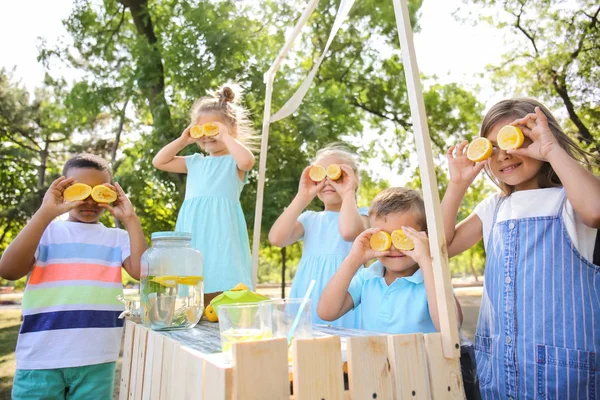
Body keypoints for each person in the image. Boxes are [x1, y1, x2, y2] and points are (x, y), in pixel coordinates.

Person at [442, 98, 600, 399]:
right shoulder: (493, 208)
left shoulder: (570, 200)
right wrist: (457, 184)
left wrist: (550, 150)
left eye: (515, 140)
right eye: (492, 147)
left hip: (565, 379)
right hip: (498, 375)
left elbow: (595, 210)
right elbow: (441, 247)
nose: (504, 155)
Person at [0, 153, 146, 399]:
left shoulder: (117, 238)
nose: (89, 201)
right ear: (63, 190)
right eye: (80, 191)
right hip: (40, 357)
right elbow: (8, 270)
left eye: (98, 192)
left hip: (98, 357)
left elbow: (143, 273)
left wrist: (130, 218)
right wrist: (45, 212)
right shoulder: (44, 231)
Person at [153, 83, 256, 294]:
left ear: (232, 131)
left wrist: (226, 136)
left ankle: (226, 304)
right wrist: (183, 140)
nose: (207, 136)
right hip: (193, 226)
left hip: (221, 228)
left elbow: (247, 161)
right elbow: (160, 162)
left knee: (223, 265)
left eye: (214, 129)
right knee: (191, 271)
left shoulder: (233, 162)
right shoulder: (194, 162)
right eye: (202, 130)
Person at [317, 187, 463, 333]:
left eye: (403, 237)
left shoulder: (433, 278)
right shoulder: (367, 278)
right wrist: (354, 259)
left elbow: (451, 326)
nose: (393, 247)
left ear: (423, 236)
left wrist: (426, 261)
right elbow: (326, 312)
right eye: (383, 237)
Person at [269, 144, 368, 328]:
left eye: (336, 175)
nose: (328, 181)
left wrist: (347, 193)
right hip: (309, 294)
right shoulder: (309, 219)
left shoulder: (362, 215)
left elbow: (348, 232)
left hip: (343, 297)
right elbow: (277, 238)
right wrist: (303, 196)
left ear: (352, 181)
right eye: (320, 175)